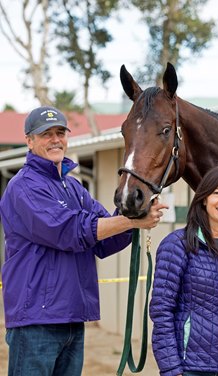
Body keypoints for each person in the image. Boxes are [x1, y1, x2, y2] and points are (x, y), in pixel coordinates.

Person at [0, 106, 168, 376]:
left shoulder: (74, 187)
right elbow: (68, 231)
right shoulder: (24, 187)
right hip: (36, 321)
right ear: (29, 141)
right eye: (46, 134)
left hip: (72, 317)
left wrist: (134, 209)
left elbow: (103, 240)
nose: (55, 139)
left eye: (60, 133)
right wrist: (132, 222)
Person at [150, 165, 218, 376]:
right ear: (204, 198)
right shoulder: (177, 244)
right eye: (217, 193)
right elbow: (161, 310)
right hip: (189, 367)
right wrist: (170, 367)